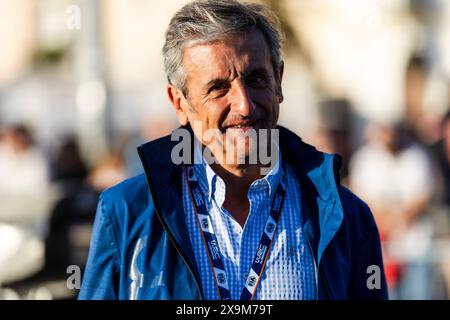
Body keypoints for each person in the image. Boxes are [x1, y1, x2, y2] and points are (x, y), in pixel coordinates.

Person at [79, 0, 387, 300]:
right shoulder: (125, 212)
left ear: (278, 82)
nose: (244, 104)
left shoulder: (347, 218)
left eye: (256, 79)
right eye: (218, 88)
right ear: (180, 104)